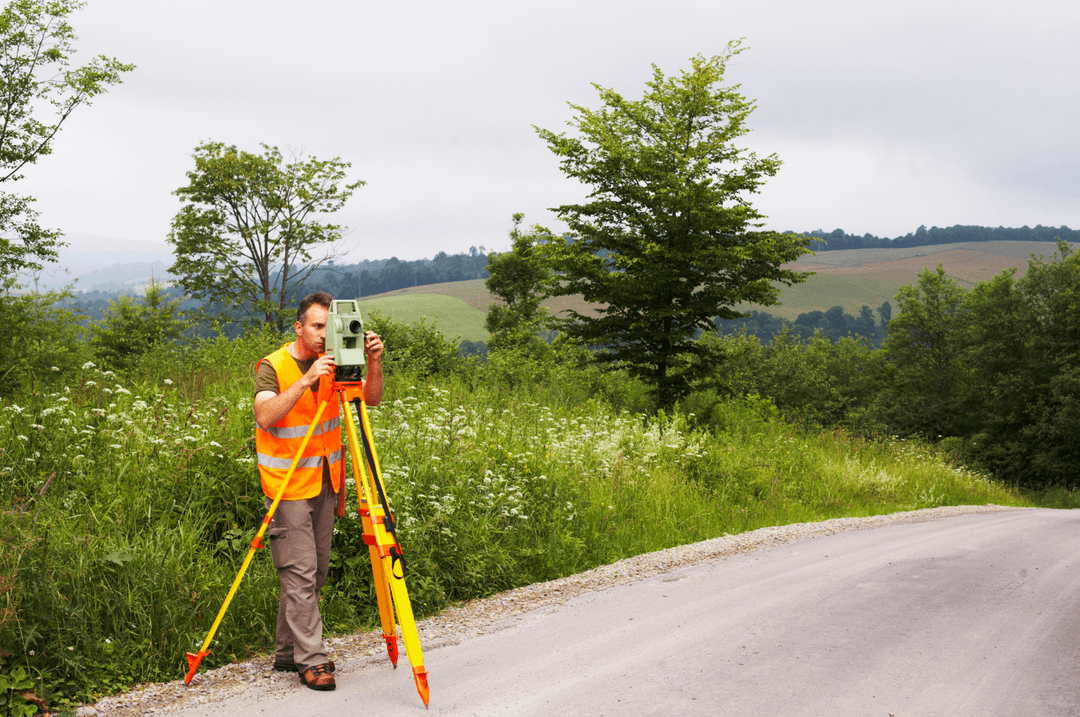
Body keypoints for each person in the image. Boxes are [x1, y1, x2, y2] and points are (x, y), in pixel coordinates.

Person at [253, 291, 384, 691]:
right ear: (299, 327)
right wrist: (308, 379)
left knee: (315, 572)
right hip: (288, 486)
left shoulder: (338, 361)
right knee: (300, 572)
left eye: (331, 326)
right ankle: (312, 661)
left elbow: (371, 399)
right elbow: (265, 416)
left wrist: (374, 362)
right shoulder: (273, 366)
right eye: (317, 326)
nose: (325, 334)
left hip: (326, 481)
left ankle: (286, 651)